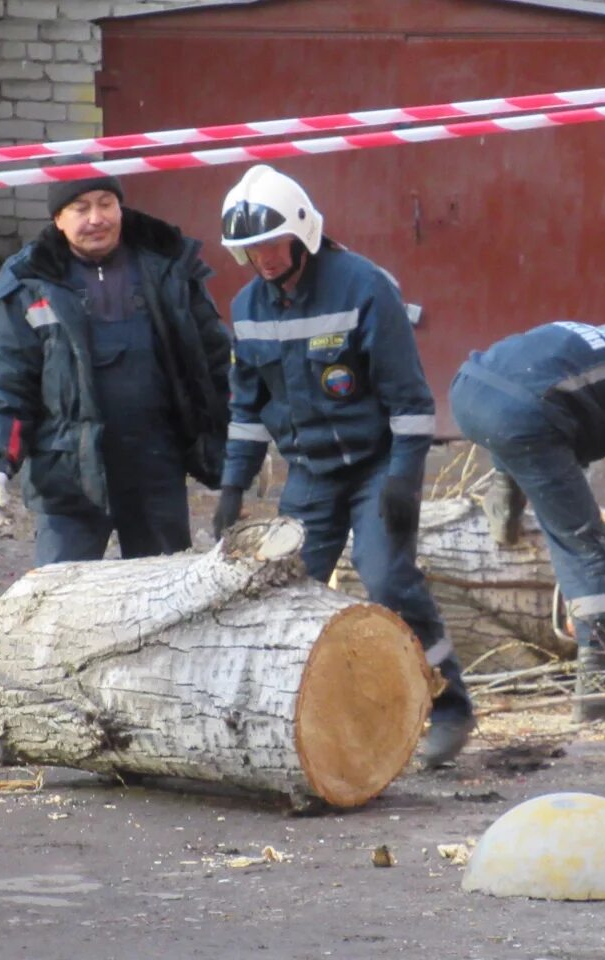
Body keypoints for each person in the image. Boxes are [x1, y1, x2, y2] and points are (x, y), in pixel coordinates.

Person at [211, 164, 475, 767]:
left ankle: (451, 706)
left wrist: (404, 482)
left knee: (386, 578)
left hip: (375, 463)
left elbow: (411, 403)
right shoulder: (247, 307)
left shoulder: (364, 287)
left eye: (271, 244)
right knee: (282, 592)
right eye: (249, 250)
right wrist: (232, 485)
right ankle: (303, 721)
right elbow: (247, 409)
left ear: (301, 232)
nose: (263, 258)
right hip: (308, 473)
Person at [448, 308, 605, 722]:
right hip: (525, 416)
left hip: (467, 390)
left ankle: (505, 505)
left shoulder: (595, 340)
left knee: (528, 428)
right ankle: (597, 686)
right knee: (585, 544)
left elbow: (544, 400)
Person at [0, 175, 232, 565]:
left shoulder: (167, 267)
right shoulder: (29, 282)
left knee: (163, 602)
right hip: (66, 472)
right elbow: (7, 383)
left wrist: (242, 440)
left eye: (106, 203)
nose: (97, 218)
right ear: (58, 218)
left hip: (155, 465)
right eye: (81, 208)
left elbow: (214, 363)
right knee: (59, 603)